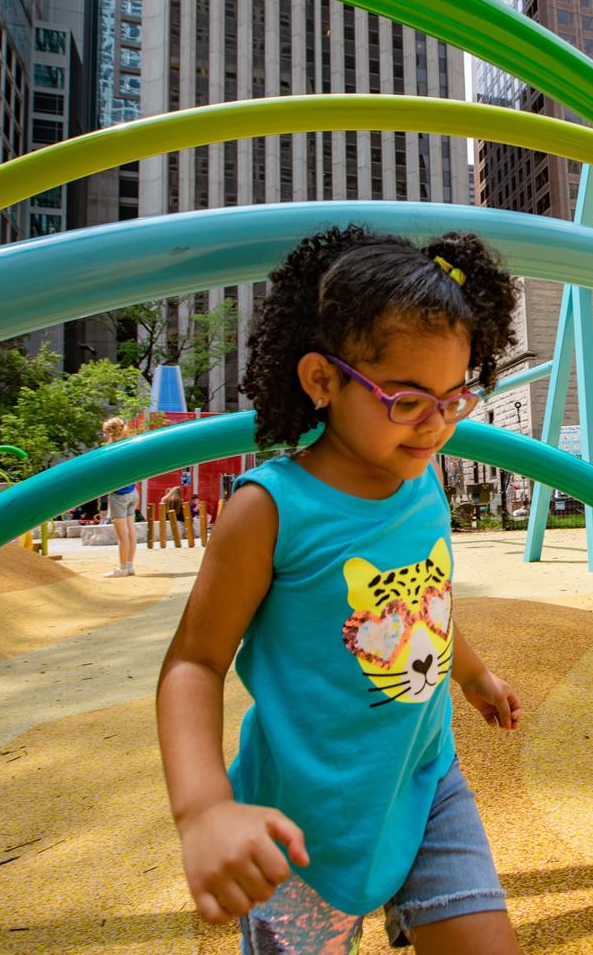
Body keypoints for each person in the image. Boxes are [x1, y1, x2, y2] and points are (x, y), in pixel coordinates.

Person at [157, 228, 525, 954]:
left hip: (425, 786)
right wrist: (202, 810)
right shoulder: (269, 509)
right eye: (409, 400)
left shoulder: (421, 483)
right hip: (302, 827)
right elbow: (193, 663)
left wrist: (474, 674)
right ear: (324, 381)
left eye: (456, 399)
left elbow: (425, 604)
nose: (437, 425)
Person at [100, 416, 141, 577]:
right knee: (131, 532)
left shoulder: (111, 450)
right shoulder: (129, 445)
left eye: (104, 432)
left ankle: (122, 567)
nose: (103, 435)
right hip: (132, 493)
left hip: (119, 495)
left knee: (122, 536)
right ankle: (129, 565)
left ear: (110, 433)